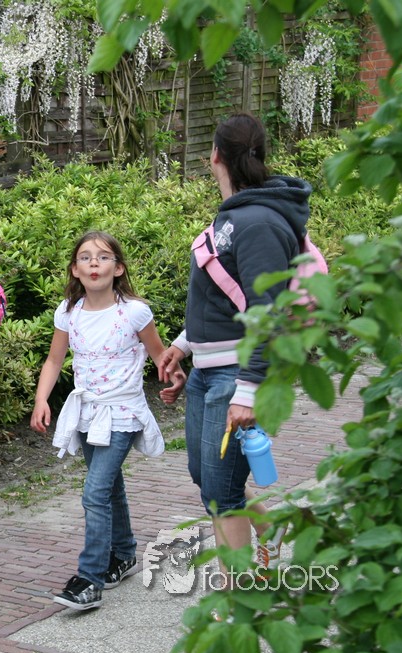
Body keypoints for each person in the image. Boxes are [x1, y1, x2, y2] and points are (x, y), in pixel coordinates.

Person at [157, 112, 307, 584]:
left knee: (221, 494)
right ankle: (272, 527)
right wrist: (183, 345)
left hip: (237, 373)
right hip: (208, 370)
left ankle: (235, 597)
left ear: (215, 156)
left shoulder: (258, 221)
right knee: (208, 480)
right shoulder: (235, 215)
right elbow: (222, 298)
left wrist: (248, 390)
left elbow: (268, 310)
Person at [30, 231, 185, 611]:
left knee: (95, 492)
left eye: (103, 257)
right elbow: (54, 360)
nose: (94, 263)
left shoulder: (134, 311)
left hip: (123, 413)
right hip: (87, 413)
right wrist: (40, 400)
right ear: (75, 269)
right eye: (85, 257)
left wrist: (175, 376)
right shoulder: (68, 312)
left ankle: (90, 579)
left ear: (118, 268)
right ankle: (124, 554)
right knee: (109, 486)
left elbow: (159, 353)